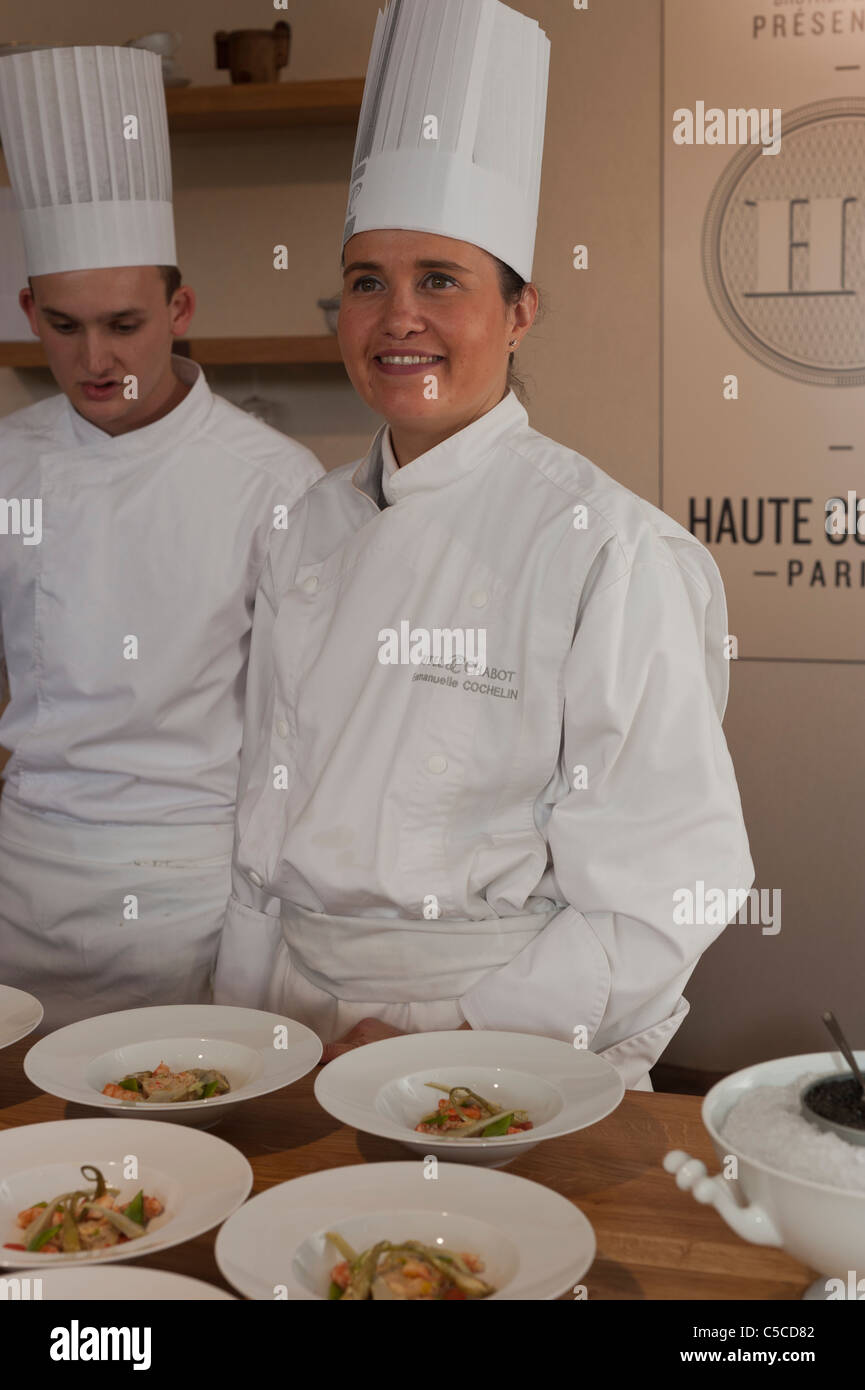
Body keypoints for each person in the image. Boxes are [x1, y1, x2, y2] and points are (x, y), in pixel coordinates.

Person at [214, 0, 753, 1090]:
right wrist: (243, 1031)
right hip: (291, 1027)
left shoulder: (607, 550)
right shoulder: (305, 527)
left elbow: (670, 888)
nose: (396, 318)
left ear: (519, 313)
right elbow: (263, 832)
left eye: (440, 282)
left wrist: (450, 1035)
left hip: (503, 1053)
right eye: (368, 283)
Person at [0, 45, 323, 1030]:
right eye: (64, 325)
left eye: (125, 324)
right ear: (27, 312)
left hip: (188, 889)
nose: (94, 358)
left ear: (180, 311)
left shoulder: (275, 481)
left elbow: (297, 733)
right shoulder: (6, 463)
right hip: (23, 885)